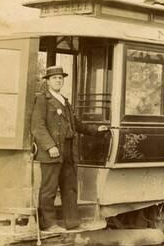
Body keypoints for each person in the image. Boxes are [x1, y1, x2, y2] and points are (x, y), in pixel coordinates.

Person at [31, 66, 109, 233]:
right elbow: (37, 126)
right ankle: (48, 224)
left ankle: (72, 223)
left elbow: (76, 124)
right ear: (47, 81)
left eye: (60, 78)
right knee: (49, 188)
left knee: (70, 187)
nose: (58, 80)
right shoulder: (43, 100)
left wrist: (95, 129)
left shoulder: (65, 101)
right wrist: (50, 146)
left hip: (68, 150)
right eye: (54, 78)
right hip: (51, 150)